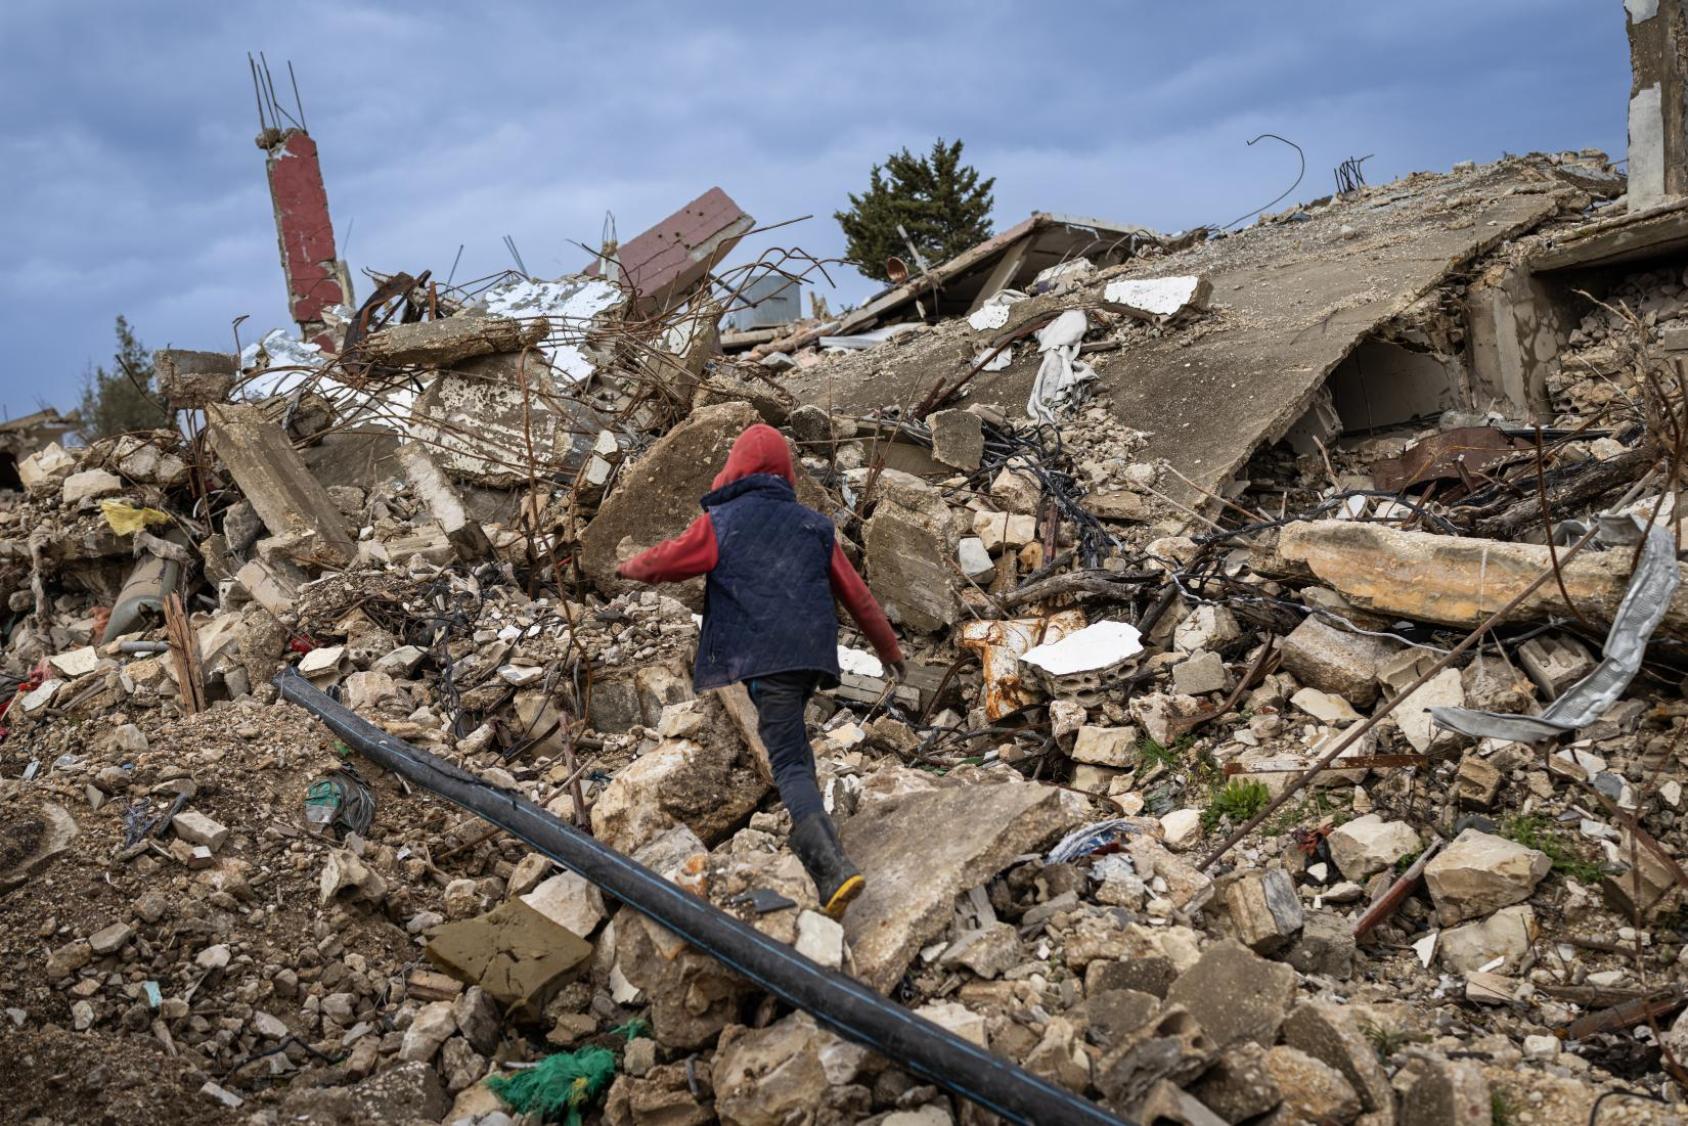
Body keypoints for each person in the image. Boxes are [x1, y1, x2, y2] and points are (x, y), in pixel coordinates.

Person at [617, 423, 904, 919]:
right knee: (791, 743)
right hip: (807, 659)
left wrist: (628, 566)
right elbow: (856, 595)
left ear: (736, 467)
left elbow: (671, 561)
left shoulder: (723, 522)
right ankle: (812, 833)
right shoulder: (814, 525)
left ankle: (831, 868)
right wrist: (890, 652)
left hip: (763, 660)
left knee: (789, 760)